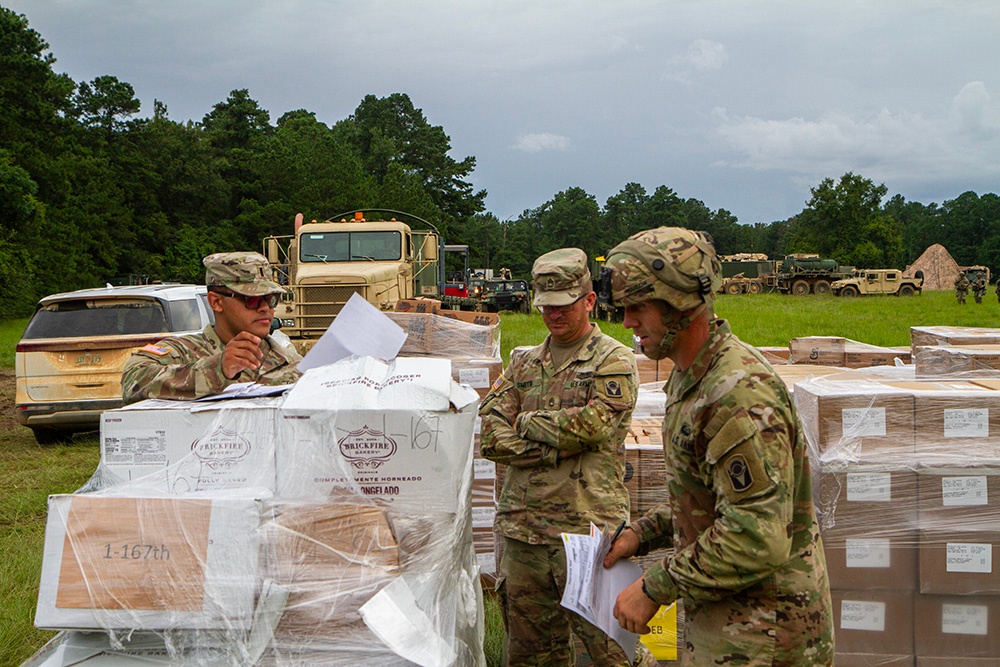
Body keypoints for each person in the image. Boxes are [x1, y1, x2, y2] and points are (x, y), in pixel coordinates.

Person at [600, 228, 834, 666]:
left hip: (766, 636)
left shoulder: (738, 396)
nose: (628, 322)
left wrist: (656, 587)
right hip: (733, 626)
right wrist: (644, 532)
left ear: (680, 305)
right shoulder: (694, 379)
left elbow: (756, 535)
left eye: (637, 307)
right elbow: (715, 496)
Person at [479, 248, 655, 667]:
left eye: (563, 306)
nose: (553, 316)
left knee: (612, 652)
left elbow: (592, 428)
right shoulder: (524, 362)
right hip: (524, 536)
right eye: (545, 307)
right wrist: (550, 444)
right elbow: (489, 432)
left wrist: (523, 421)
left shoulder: (613, 360)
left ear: (589, 300)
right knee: (531, 655)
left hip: (587, 536)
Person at [122, 251, 302, 403]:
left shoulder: (291, 362)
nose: (265, 308)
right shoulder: (184, 352)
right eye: (252, 299)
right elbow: (134, 380)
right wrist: (217, 369)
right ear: (216, 302)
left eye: (271, 299)